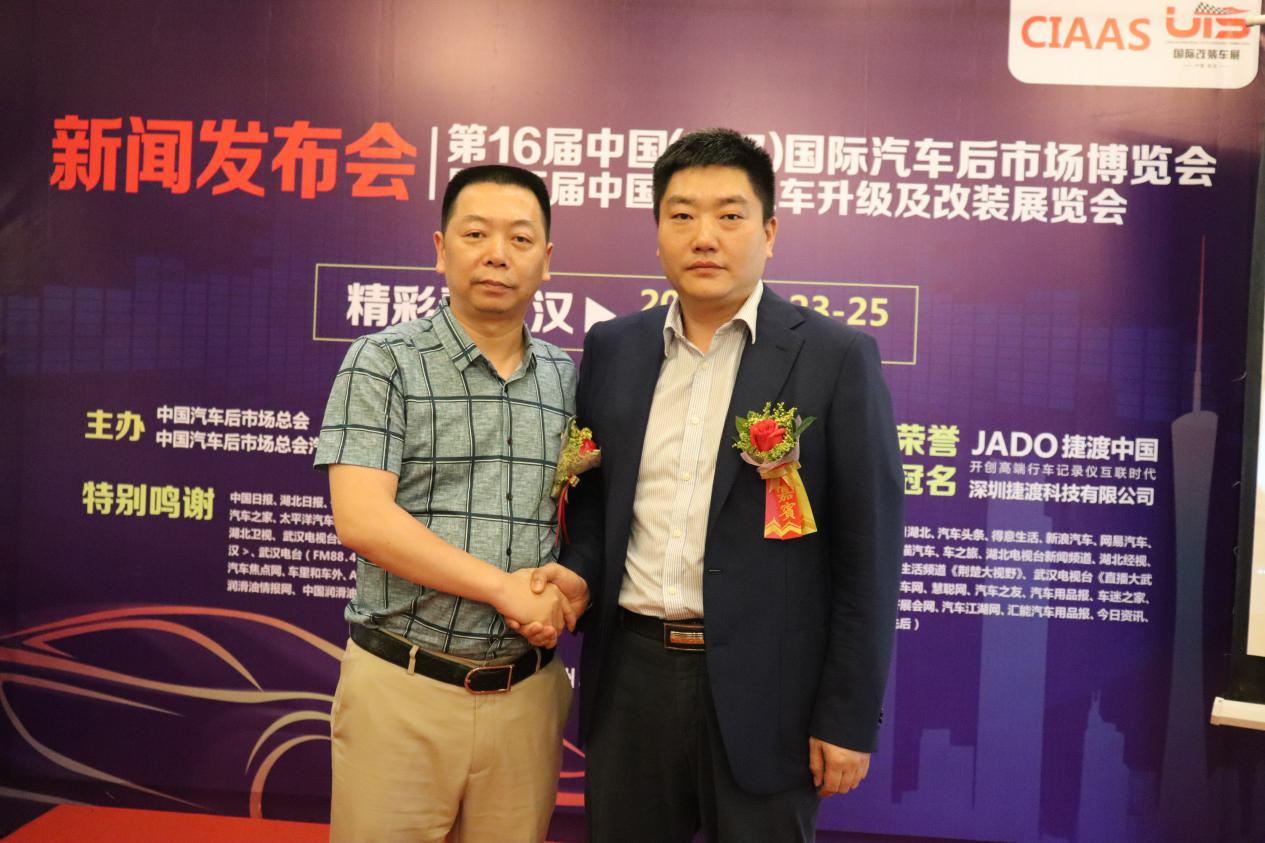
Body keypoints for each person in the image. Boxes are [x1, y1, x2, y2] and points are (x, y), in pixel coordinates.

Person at [528, 128, 904, 841]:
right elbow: (599, 504)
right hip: (631, 677)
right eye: (682, 215)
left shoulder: (834, 356)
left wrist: (847, 715)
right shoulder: (614, 347)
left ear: (769, 232)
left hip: (772, 695)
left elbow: (869, 555)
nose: (704, 236)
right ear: (657, 233)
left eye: (730, 215)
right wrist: (576, 570)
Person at [313, 164, 581, 843]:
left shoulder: (565, 375)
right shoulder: (383, 361)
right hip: (404, 688)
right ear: (440, 249)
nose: (497, 254)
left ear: (546, 260)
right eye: (475, 233)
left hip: (527, 697)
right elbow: (363, 519)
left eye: (520, 238)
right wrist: (502, 588)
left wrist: (569, 583)